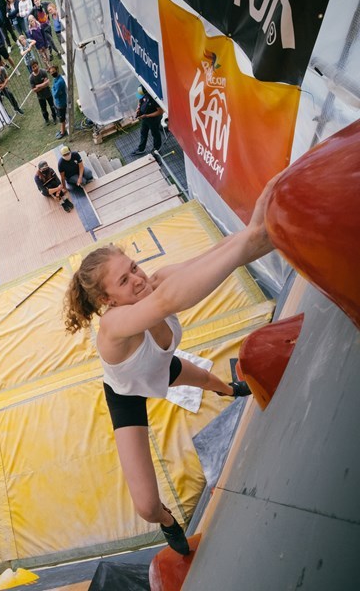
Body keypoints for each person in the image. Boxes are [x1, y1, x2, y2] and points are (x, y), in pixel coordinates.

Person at [62, 176, 278, 555]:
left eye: (134, 267)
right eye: (124, 280)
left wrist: (253, 231)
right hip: (126, 392)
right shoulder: (114, 326)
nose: (138, 279)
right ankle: (167, 522)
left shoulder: (156, 280)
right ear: (107, 300)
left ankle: (231, 390)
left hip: (160, 366)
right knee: (146, 507)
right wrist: (247, 241)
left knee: (214, 382)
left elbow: (212, 256)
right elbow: (166, 304)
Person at [132, 85, 164, 155]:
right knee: (143, 132)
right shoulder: (142, 87)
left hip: (153, 119)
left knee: (155, 133)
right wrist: (138, 107)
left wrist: (147, 116)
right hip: (145, 117)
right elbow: (140, 99)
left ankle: (157, 148)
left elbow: (160, 111)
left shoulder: (154, 98)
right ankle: (141, 149)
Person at [48, 64, 67, 139]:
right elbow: (54, 90)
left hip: (61, 103)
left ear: (57, 70)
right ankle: (61, 130)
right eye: (51, 72)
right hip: (57, 102)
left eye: (53, 71)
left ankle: (63, 132)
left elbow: (55, 94)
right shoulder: (55, 79)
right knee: (60, 117)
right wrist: (53, 89)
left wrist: (52, 89)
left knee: (62, 119)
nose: (52, 73)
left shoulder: (59, 82)